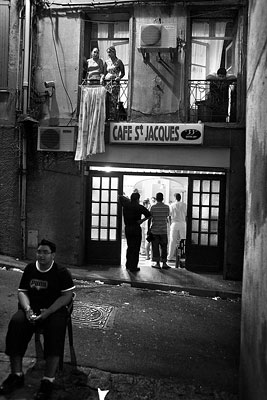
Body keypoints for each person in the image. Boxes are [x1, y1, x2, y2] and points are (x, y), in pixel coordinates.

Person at [0, 239, 75, 400]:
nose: (41, 255)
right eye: (39, 252)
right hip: (32, 310)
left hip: (54, 310)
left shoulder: (61, 272)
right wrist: (27, 309)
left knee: (55, 330)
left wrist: (48, 312)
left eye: (45, 252)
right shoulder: (29, 269)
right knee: (16, 323)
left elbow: (67, 296)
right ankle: (17, 375)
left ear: (53, 255)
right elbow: (22, 291)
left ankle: (48, 380)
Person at [119, 192, 151, 272]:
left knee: (130, 246)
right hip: (136, 228)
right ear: (138, 199)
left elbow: (121, 197)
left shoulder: (125, 206)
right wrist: (141, 220)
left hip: (128, 228)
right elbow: (149, 215)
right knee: (136, 248)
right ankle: (133, 266)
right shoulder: (139, 207)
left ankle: (128, 265)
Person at [103, 46, 125, 120]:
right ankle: (106, 116)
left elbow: (123, 72)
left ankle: (113, 117)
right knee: (107, 99)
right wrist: (102, 77)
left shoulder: (119, 61)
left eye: (110, 52)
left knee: (113, 100)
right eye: (107, 52)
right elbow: (104, 72)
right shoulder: (106, 62)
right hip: (107, 82)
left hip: (115, 82)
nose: (108, 54)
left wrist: (120, 77)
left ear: (114, 52)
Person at [150, 192, 170, 270]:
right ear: (163, 198)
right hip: (163, 230)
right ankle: (164, 263)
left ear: (156, 198)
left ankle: (157, 263)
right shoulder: (167, 207)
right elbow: (167, 216)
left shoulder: (153, 207)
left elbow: (151, 217)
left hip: (155, 230)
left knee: (155, 247)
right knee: (164, 247)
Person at [168, 193, 187, 261]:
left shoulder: (172, 205)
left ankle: (170, 256)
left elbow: (169, 216)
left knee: (173, 240)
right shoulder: (184, 205)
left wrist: (170, 224)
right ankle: (183, 255)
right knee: (183, 240)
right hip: (182, 223)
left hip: (174, 223)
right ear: (180, 198)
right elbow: (186, 215)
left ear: (175, 198)